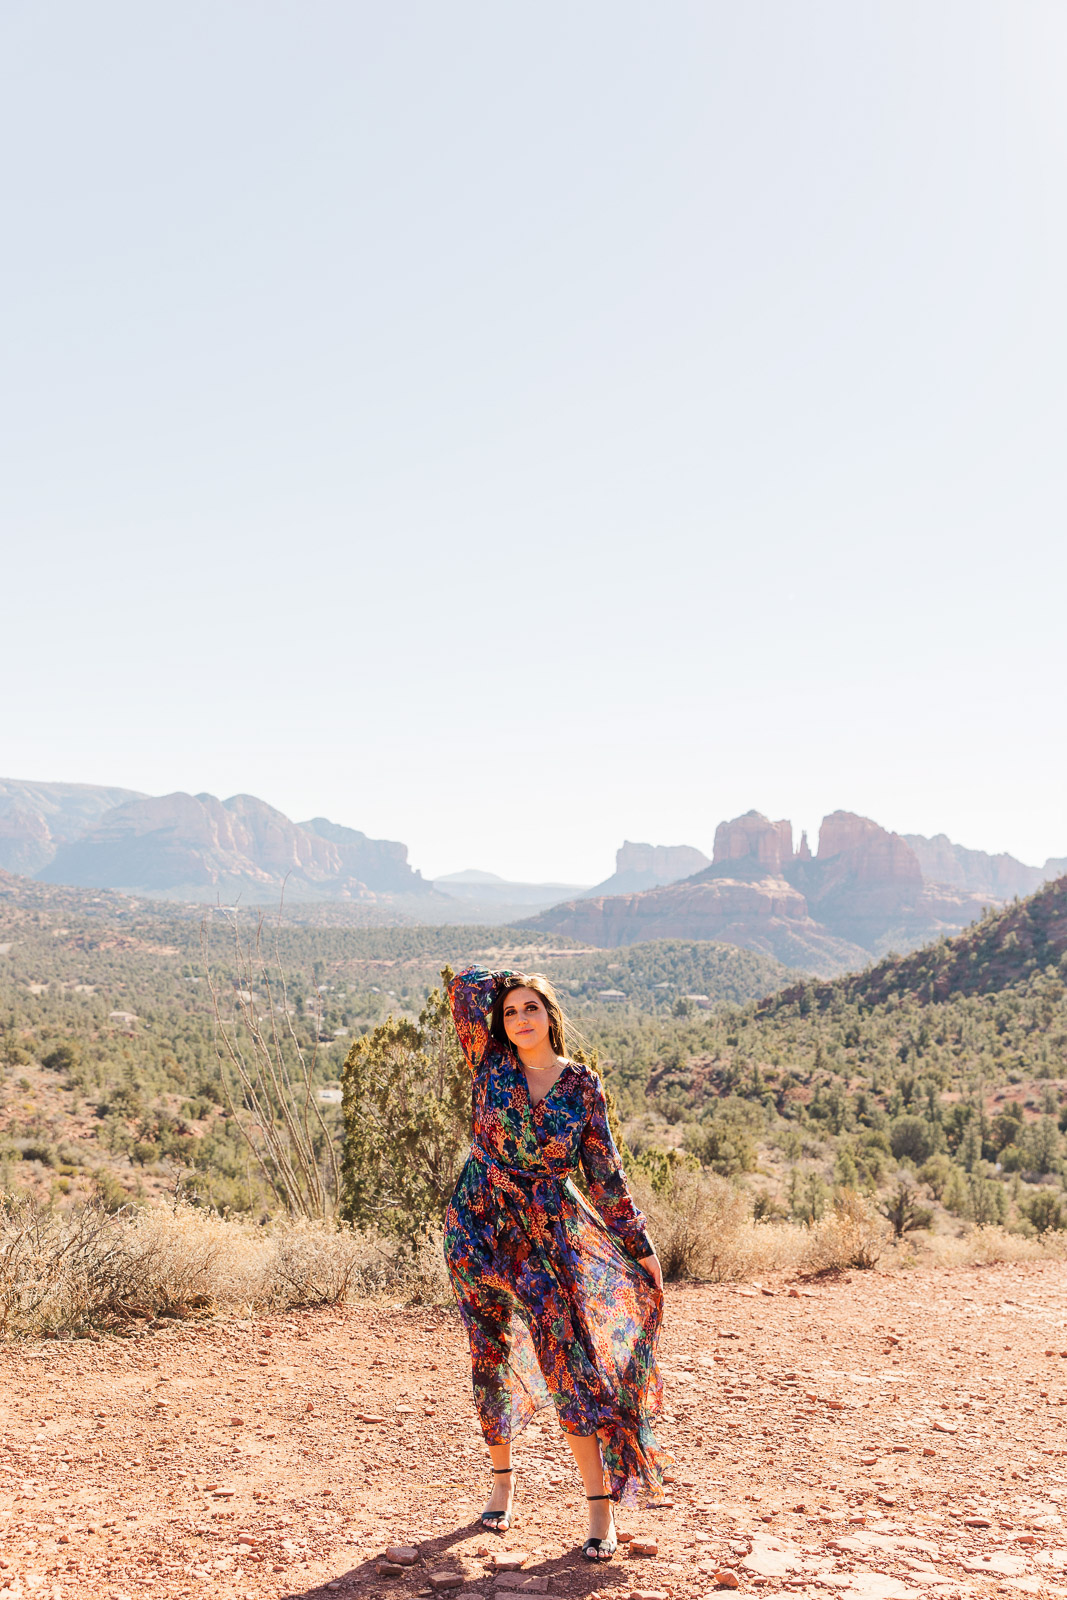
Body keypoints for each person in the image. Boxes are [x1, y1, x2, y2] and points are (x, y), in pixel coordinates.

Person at [443, 966, 668, 1562]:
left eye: (531, 1008)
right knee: (488, 1350)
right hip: (477, 1225)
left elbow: (606, 1175)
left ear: (551, 1015)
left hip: (545, 1235)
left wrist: (641, 1248)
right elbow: (464, 985)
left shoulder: (581, 1085)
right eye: (510, 1011)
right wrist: (514, 980)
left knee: (568, 1361)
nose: (519, 1020)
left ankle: (600, 1512)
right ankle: (501, 1481)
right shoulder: (488, 1065)